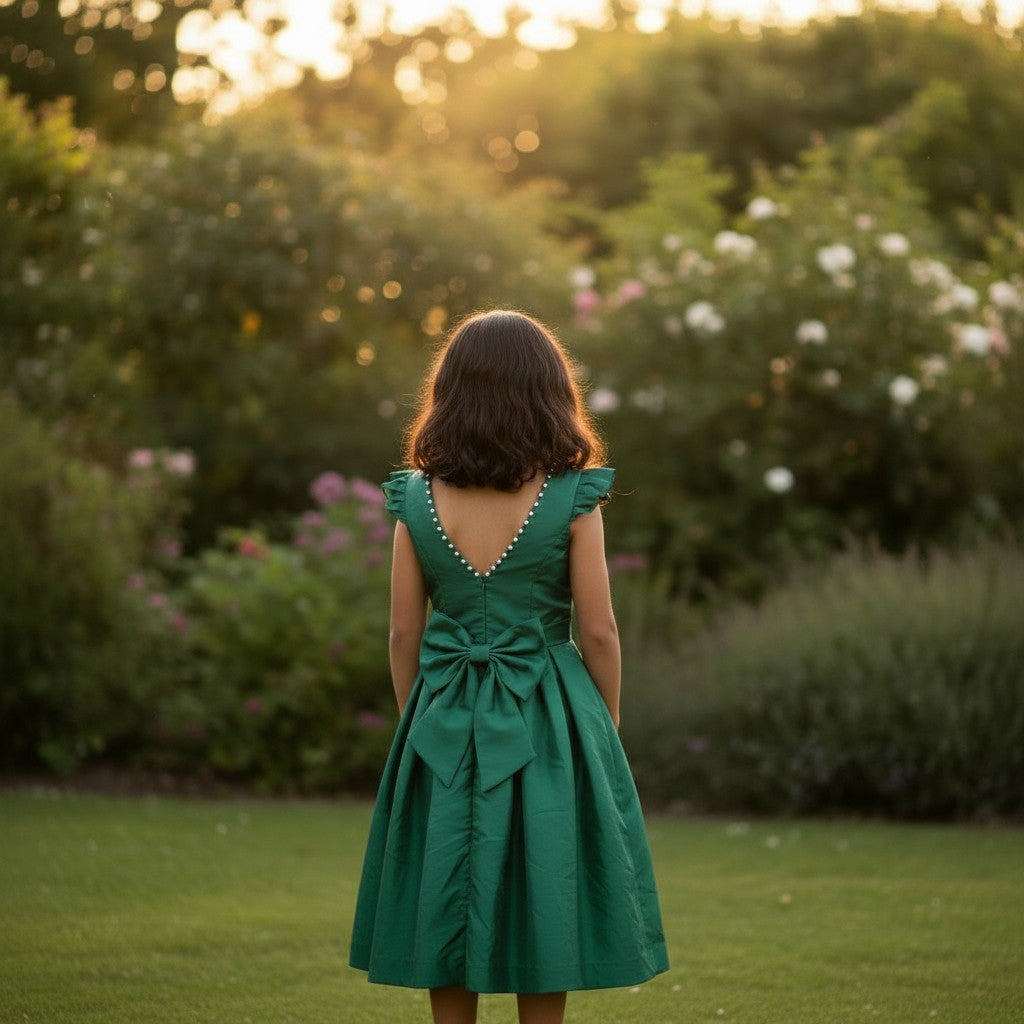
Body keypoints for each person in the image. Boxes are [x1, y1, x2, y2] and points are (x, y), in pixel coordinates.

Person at [348, 310, 669, 1024]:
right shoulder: (572, 496)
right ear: (549, 392)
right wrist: (602, 725)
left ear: (451, 393)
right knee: (542, 882)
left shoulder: (415, 497)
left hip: (442, 717)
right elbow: (600, 629)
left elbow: (404, 631)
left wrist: (418, 717)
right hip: (549, 713)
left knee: (445, 885)